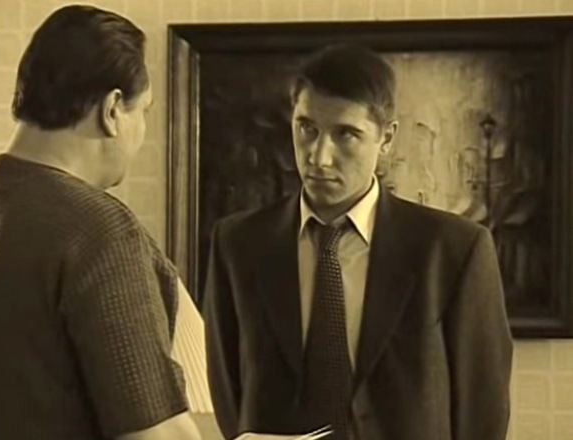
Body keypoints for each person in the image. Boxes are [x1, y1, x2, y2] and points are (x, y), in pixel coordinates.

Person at [0, 5, 202, 440]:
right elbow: (155, 435)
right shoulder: (97, 229)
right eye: (144, 111)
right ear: (112, 110)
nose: (142, 132)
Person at [203, 43, 513, 440]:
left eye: (346, 134)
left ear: (386, 138)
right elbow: (229, 395)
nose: (319, 157)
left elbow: (483, 411)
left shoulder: (453, 249)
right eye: (307, 129)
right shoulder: (239, 244)